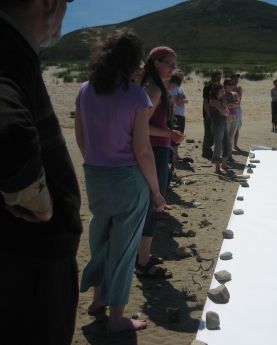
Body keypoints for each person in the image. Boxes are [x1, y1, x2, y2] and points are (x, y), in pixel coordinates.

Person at [0, 1, 82, 344]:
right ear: (47, 4)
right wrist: (34, 197)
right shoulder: (7, 52)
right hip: (26, 269)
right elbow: (9, 131)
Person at [75, 29, 166, 333]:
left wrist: (97, 160)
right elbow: (143, 150)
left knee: (100, 239)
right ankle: (117, 318)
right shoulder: (135, 94)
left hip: (95, 175)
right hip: (127, 180)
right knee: (125, 250)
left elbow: (80, 136)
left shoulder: (85, 89)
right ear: (132, 61)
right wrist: (155, 191)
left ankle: (98, 298)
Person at [137, 46, 185, 279]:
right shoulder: (154, 89)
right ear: (156, 61)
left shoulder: (148, 85)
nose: (173, 69)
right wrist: (169, 134)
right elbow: (141, 126)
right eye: (170, 64)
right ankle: (143, 261)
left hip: (155, 149)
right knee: (154, 205)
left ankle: (142, 255)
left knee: (150, 204)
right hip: (155, 151)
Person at [209, 83, 231, 173]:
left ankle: (224, 164)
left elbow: (227, 112)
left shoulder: (221, 100)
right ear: (217, 91)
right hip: (217, 125)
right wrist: (225, 110)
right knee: (218, 145)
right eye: (222, 90)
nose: (224, 91)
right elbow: (224, 112)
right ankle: (217, 167)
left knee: (227, 144)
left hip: (223, 123)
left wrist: (225, 110)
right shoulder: (214, 101)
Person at [168, 72, 187, 161]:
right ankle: (172, 155)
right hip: (174, 114)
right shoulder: (170, 89)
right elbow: (174, 100)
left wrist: (182, 99)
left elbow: (184, 99)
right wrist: (179, 99)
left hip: (181, 113)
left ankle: (175, 154)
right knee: (174, 135)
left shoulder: (180, 88)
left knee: (179, 134)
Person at [202, 71, 222, 159]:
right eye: (217, 78)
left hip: (218, 113)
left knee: (214, 133)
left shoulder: (220, 87)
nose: (219, 79)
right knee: (208, 133)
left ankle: (208, 150)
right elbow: (205, 102)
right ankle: (206, 151)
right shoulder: (207, 87)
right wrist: (208, 114)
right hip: (209, 114)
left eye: (220, 78)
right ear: (212, 78)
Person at [223, 79, 240, 162]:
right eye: (228, 85)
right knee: (226, 137)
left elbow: (238, 104)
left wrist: (231, 105)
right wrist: (232, 105)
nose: (230, 87)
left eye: (231, 85)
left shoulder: (235, 94)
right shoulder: (223, 95)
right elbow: (225, 105)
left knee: (231, 136)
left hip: (235, 116)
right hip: (227, 116)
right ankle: (225, 155)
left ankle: (229, 155)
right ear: (225, 86)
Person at [231, 73, 243, 151]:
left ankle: (235, 145)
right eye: (235, 79)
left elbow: (239, 99)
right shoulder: (227, 87)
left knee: (237, 128)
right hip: (229, 109)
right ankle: (228, 145)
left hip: (237, 109)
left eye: (237, 79)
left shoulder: (239, 88)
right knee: (228, 128)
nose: (236, 80)